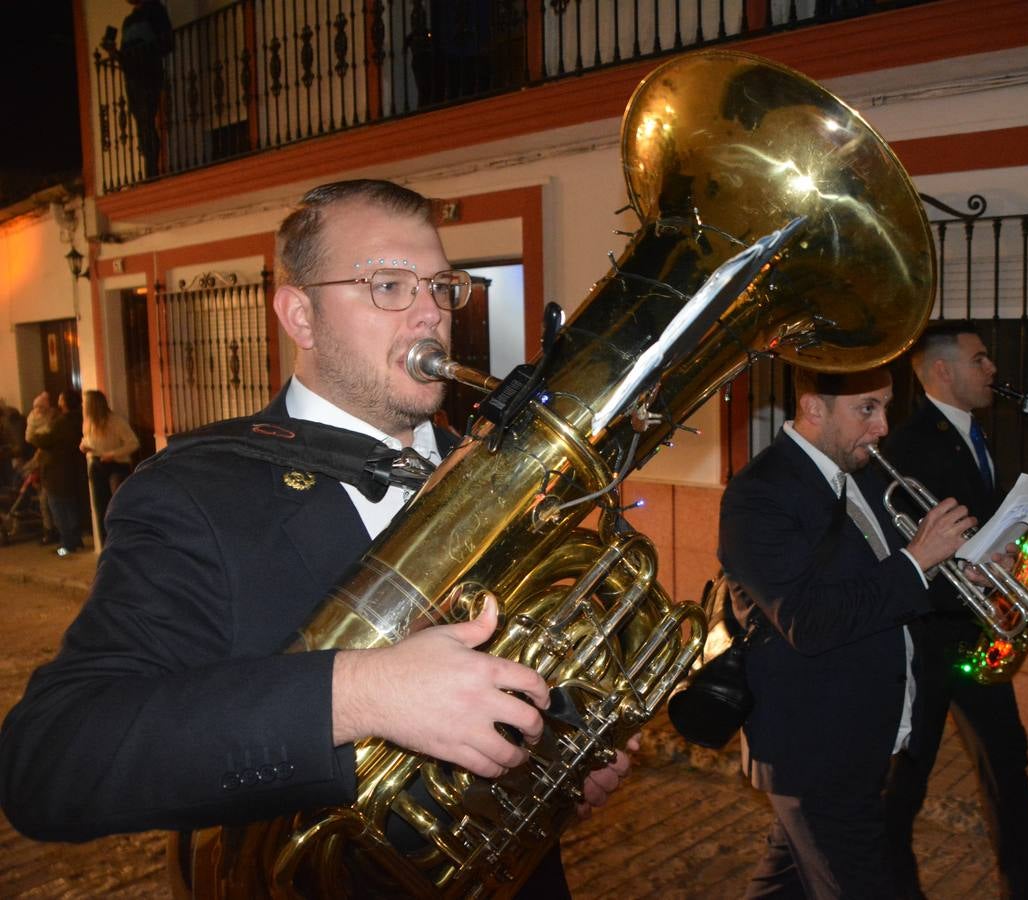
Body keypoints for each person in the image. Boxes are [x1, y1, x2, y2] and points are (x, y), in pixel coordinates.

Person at [0, 179, 625, 896]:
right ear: (300, 314)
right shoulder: (194, 495)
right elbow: (47, 763)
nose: (430, 312)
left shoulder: (491, 473)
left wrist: (560, 758)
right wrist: (359, 693)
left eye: (442, 286)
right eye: (388, 285)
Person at [718, 365, 977, 897]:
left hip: (861, 736)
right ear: (814, 407)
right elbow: (807, 621)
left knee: (785, 884)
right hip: (815, 750)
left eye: (884, 406)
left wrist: (959, 576)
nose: (883, 426)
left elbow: (887, 585)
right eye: (867, 409)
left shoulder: (859, 472)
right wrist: (917, 558)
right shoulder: (758, 494)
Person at [881, 321, 1028, 900]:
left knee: (1007, 762)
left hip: (975, 635)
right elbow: (910, 548)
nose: (992, 369)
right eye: (980, 359)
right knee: (906, 781)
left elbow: (981, 526)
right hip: (929, 638)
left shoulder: (974, 434)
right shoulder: (906, 444)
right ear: (943, 370)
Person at [102, 0, 173, 178]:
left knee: (147, 122)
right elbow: (125, 60)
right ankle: (150, 168)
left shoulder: (156, 11)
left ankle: (152, 170)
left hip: (148, 76)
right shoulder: (128, 21)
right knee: (142, 125)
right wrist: (113, 52)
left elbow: (167, 43)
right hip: (133, 80)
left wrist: (144, 50)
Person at [26, 389, 86, 557]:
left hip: (56, 471)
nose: (58, 402)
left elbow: (44, 440)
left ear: (65, 402)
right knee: (70, 506)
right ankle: (76, 539)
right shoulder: (78, 419)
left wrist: (32, 434)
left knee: (58, 509)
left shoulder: (61, 423)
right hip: (71, 469)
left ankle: (66, 545)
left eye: (60, 399)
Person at [80, 389, 140, 544]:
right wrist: (84, 446)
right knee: (100, 507)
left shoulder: (116, 422)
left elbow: (133, 443)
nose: (82, 405)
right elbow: (88, 441)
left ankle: (123, 542)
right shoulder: (88, 423)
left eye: (85, 403)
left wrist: (113, 454)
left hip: (117, 465)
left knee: (117, 506)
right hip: (97, 464)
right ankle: (106, 544)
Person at [23, 392, 58, 544]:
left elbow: (44, 437)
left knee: (48, 500)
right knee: (45, 500)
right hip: (41, 462)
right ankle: (50, 529)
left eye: (41, 407)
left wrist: (39, 440)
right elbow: (29, 437)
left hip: (49, 464)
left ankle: (52, 530)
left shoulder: (54, 418)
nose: (39, 410)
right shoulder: (33, 418)